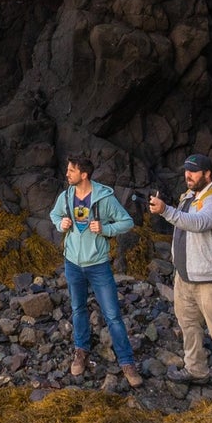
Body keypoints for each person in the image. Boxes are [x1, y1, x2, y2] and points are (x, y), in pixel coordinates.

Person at [149, 153, 212, 395]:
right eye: (186, 170)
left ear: (208, 174)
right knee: (189, 325)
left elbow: (199, 223)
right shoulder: (188, 197)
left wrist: (165, 211)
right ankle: (196, 369)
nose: (188, 175)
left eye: (194, 171)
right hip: (185, 278)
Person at [48, 155, 143, 387]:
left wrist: (105, 228)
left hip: (98, 265)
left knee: (112, 315)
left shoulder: (104, 198)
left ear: (84, 174)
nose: (67, 173)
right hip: (72, 263)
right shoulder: (67, 196)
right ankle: (81, 351)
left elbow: (127, 222)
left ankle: (127, 362)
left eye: (71, 170)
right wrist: (61, 224)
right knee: (78, 308)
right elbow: (54, 215)